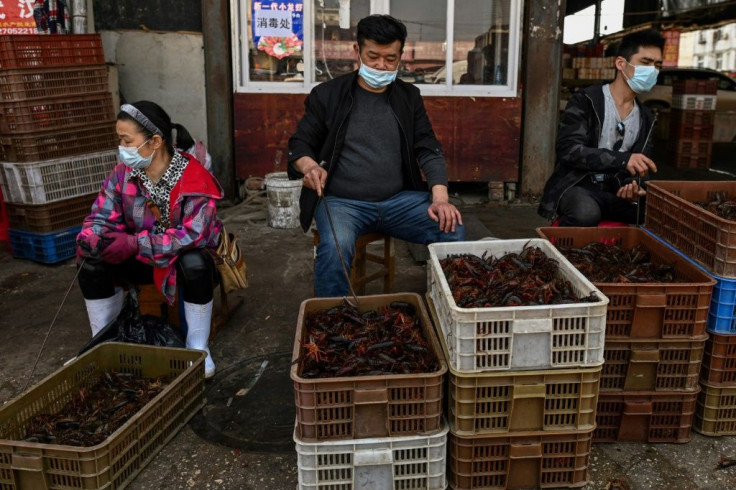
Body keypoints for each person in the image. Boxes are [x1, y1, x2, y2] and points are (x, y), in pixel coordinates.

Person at [287, 14, 465, 297]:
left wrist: (440, 198)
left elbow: (427, 147)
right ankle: (332, 321)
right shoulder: (327, 95)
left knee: (451, 227)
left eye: (390, 58)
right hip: (342, 202)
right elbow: (300, 144)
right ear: (357, 51)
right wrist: (308, 167)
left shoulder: (408, 97)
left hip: (397, 201)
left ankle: (448, 309)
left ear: (401, 55)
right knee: (335, 246)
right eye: (373, 57)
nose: (381, 65)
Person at [76, 101, 224, 378]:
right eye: (120, 140)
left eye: (126, 140)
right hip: (143, 257)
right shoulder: (122, 174)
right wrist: (92, 237)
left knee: (196, 263)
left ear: (155, 141)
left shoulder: (194, 178)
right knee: (92, 261)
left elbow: (193, 235)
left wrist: (133, 243)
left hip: (181, 260)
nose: (122, 148)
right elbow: (100, 215)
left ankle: (198, 349)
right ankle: (104, 343)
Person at [538, 29, 665, 226]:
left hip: (615, 190)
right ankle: (562, 251)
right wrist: (623, 160)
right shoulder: (587, 100)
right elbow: (569, 150)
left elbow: (641, 168)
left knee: (660, 215)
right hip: (578, 185)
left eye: (658, 65)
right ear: (621, 63)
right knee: (585, 213)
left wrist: (633, 186)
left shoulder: (646, 118)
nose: (653, 70)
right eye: (646, 63)